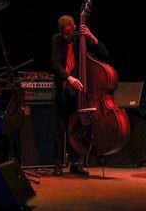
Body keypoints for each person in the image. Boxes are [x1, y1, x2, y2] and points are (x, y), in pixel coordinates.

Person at [51, 15, 108, 176]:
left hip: (80, 92)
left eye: (69, 34)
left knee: (77, 128)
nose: (67, 38)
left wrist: (91, 36)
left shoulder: (80, 38)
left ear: (74, 27)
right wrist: (68, 77)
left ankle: (76, 163)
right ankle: (57, 163)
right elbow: (55, 63)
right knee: (60, 127)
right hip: (64, 89)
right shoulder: (56, 40)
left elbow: (104, 53)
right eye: (64, 34)